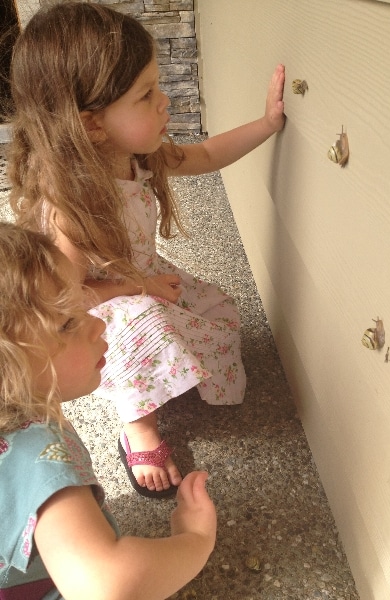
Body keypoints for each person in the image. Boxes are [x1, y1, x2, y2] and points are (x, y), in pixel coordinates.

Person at [7, 1, 286, 498]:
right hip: (97, 307)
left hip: (142, 275)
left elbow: (204, 154)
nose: (165, 101)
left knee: (221, 313)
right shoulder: (69, 205)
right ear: (92, 124)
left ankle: (159, 360)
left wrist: (266, 124)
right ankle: (138, 429)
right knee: (147, 324)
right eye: (146, 95)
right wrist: (139, 288)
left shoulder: (133, 153)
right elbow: (67, 299)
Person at [0, 221, 216, 600]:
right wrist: (194, 538)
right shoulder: (38, 452)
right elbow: (108, 585)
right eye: (68, 323)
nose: (98, 323)